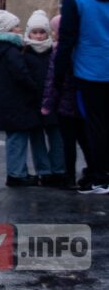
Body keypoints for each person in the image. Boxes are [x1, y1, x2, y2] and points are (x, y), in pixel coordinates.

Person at [54, 0, 109, 194]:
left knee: (94, 125)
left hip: (88, 70)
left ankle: (99, 176)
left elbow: (66, 40)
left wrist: (58, 74)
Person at [0, 7, 40, 187]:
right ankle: (17, 174)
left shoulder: (0, 50)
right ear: (7, 30)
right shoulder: (12, 52)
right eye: (16, 27)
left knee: (14, 138)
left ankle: (18, 171)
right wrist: (35, 88)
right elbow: (21, 75)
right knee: (18, 138)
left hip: (8, 102)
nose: (19, 29)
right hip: (17, 102)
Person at [43, 13, 91, 189]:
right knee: (86, 141)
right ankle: (93, 171)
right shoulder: (82, 48)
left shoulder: (58, 52)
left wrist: (47, 105)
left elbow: (52, 81)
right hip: (83, 103)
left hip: (65, 105)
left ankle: (69, 176)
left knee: (68, 144)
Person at [23, 10, 65, 186]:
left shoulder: (53, 52)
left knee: (56, 136)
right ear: (29, 33)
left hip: (53, 101)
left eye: (42, 32)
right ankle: (44, 171)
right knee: (37, 138)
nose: (39, 36)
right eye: (35, 32)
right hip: (32, 102)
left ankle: (58, 169)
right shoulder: (24, 54)